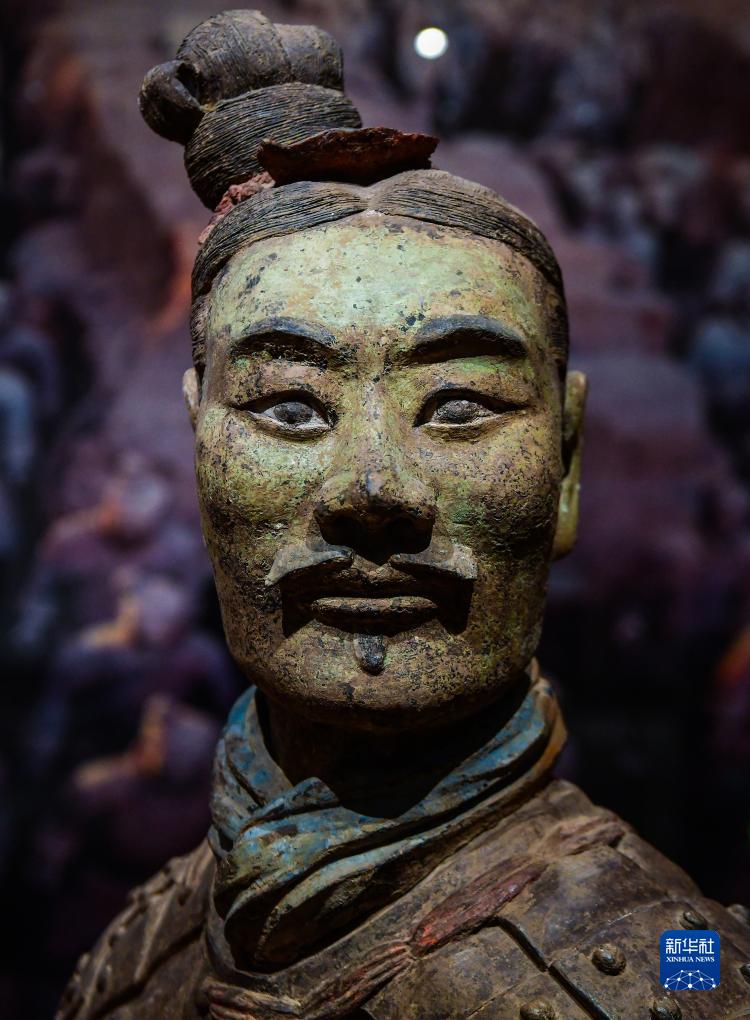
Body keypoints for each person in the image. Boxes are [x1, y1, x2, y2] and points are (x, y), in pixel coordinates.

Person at [58, 11, 750, 1019]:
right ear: (197, 447)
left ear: (565, 465)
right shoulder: (138, 956)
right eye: (290, 407)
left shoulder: (673, 978)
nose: (372, 491)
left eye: (460, 406)